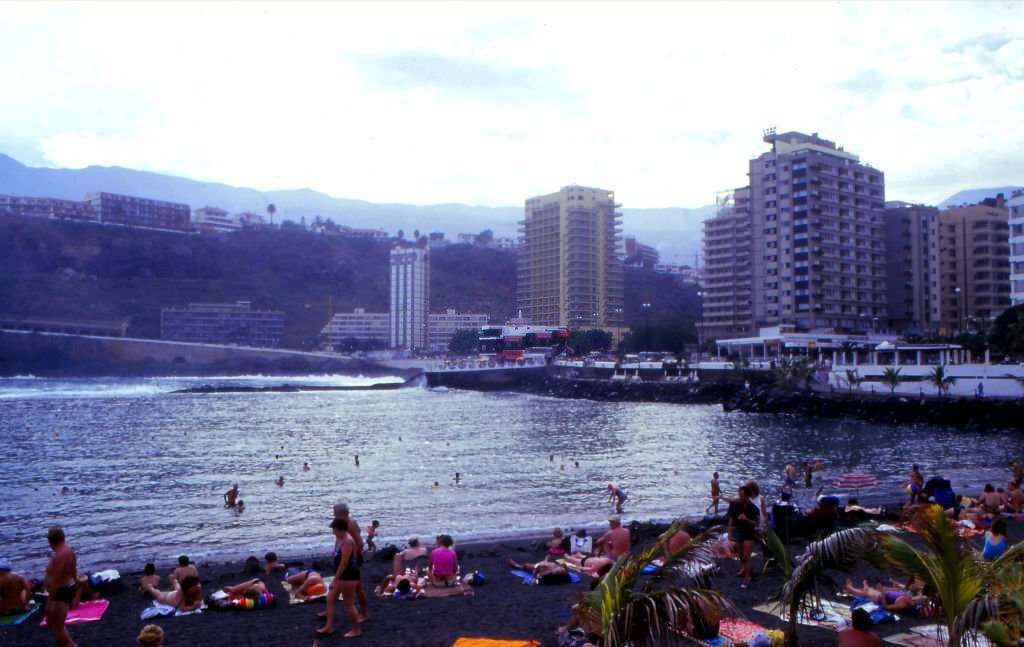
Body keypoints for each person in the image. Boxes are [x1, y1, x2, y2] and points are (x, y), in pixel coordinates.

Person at [318, 518, 362, 638]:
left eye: (334, 529)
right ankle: (329, 627)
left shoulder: (347, 541)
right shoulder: (340, 539)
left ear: (340, 529)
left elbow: (344, 563)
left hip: (348, 575)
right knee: (330, 598)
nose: (333, 532)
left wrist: (335, 579)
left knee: (349, 604)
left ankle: (356, 630)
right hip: (342, 574)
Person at [333, 502, 369, 621]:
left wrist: (353, 560)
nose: (333, 514)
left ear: (343, 513)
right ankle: (329, 609)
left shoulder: (351, 524)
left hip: (353, 560)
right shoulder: (341, 523)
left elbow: (360, 543)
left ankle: (364, 613)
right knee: (338, 585)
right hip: (344, 558)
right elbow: (339, 540)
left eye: (335, 513)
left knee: (358, 588)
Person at [44, 527, 77, 647]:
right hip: (68, 587)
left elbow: (56, 580)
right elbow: (74, 571)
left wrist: (50, 601)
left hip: (60, 592)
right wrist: (76, 591)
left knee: (58, 627)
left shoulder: (59, 556)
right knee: (59, 625)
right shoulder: (70, 551)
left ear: (51, 542)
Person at [727, 485, 759, 588]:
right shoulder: (735, 505)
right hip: (739, 532)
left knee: (746, 555)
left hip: (749, 533)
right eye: (739, 495)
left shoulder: (753, 508)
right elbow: (731, 520)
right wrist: (730, 532)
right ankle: (749, 569)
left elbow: (756, 523)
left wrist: (746, 519)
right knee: (740, 555)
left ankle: (747, 577)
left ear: (748, 496)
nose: (740, 497)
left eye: (742, 495)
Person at [506, 558, 571, 584]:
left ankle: (516, 565)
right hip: (543, 566)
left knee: (526, 566)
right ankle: (517, 565)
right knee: (529, 565)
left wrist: (534, 576)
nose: (560, 570)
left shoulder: (548, 572)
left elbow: (538, 572)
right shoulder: (555, 567)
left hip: (539, 567)